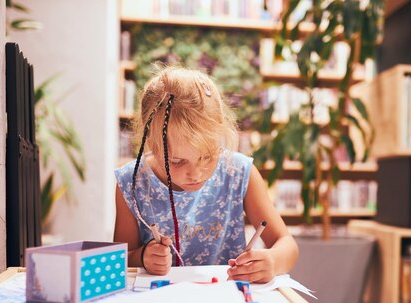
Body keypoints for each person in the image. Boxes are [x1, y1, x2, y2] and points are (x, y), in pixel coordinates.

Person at [114, 65, 298, 283]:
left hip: (228, 299)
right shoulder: (131, 182)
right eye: (177, 161)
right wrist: (143, 256)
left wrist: (273, 261)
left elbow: (287, 244)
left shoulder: (238, 173)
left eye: (208, 156)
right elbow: (119, 260)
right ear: (151, 144)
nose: (196, 173)